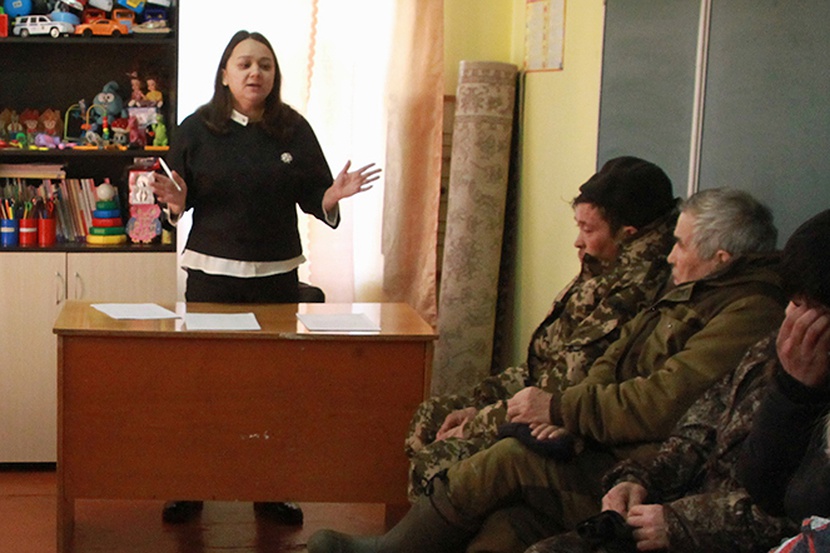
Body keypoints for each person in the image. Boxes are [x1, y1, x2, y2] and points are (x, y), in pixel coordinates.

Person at [307, 188, 785, 553]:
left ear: (721, 259)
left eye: (680, 245)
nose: (670, 255)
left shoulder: (747, 312)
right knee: (507, 524)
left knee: (509, 459)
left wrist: (562, 409)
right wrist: (568, 413)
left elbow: (663, 400)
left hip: (643, 467)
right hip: (603, 439)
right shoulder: (696, 289)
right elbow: (612, 357)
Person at [151, 30, 380, 524]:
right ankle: (191, 485)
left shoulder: (293, 129)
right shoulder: (195, 129)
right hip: (212, 277)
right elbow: (173, 198)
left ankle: (271, 488)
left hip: (276, 279)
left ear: (275, 75)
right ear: (225, 74)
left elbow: (316, 195)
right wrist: (175, 204)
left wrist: (332, 196)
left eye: (265, 65)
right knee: (204, 384)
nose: (255, 73)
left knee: (275, 387)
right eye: (244, 64)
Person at [407, 156, 679, 500]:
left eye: (588, 230)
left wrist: (476, 423)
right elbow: (544, 364)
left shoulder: (635, 288)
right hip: (535, 398)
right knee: (432, 415)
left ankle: (430, 524)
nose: (578, 242)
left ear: (629, 234)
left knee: (438, 458)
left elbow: (565, 383)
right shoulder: (605, 265)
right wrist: (481, 400)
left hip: (568, 422)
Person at [737, 210, 830, 533]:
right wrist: (794, 390)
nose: (793, 318)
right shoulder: (799, 354)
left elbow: (809, 504)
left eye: (811, 311)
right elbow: (768, 492)